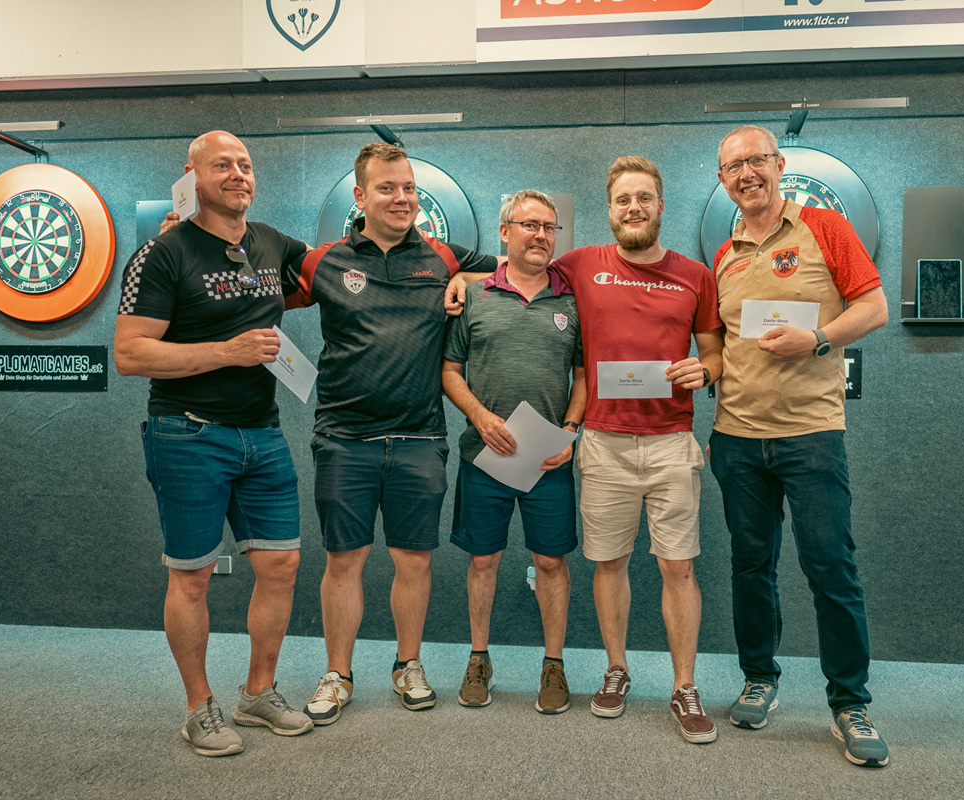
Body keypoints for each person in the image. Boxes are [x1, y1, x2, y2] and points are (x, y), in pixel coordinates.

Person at [446, 156, 723, 744]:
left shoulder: (696, 275)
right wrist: (461, 277)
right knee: (605, 563)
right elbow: (519, 266)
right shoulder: (582, 266)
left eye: (644, 198)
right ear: (610, 209)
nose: (634, 208)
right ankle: (614, 671)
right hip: (597, 442)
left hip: (660, 441)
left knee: (677, 566)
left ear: (660, 205)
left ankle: (684, 686)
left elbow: (714, 352)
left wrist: (706, 370)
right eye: (623, 199)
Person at [114, 130, 313, 757]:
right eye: (222, 164)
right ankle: (198, 708)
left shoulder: (272, 243)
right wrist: (228, 352)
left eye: (245, 165)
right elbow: (130, 353)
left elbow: (327, 274)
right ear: (192, 175)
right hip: (188, 432)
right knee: (193, 576)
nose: (237, 174)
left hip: (263, 433)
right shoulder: (162, 253)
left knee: (281, 566)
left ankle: (258, 692)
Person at [285, 143, 497, 726]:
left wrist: (467, 279)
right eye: (387, 188)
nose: (402, 198)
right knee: (344, 560)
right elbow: (254, 296)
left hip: (419, 438)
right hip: (343, 438)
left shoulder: (443, 256)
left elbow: (515, 269)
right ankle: (338, 673)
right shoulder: (323, 261)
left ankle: (408, 665)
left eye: (408, 188)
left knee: (414, 561)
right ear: (360, 196)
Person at [707, 125, 890, 767]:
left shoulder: (824, 227)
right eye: (733, 167)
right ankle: (760, 677)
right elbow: (718, 343)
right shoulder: (723, 255)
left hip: (811, 435)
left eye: (756, 160)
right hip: (736, 439)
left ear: (778, 163)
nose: (746, 174)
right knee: (750, 567)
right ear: (722, 179)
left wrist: (816, 340)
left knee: (831, 568)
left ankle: (850, 703)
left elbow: (874, 307)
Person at [441, 190, 586, 714]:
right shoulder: (474, 295)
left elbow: (583, 376)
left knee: (550, 561)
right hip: (485, 455)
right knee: (484, 561)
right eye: (529, 225)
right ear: (505, 232)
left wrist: (570, 430)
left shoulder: (572, 301)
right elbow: (449, 371)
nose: (540, 235)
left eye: (549, 227)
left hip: (548, 459)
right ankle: (479, 658)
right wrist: (481, 417)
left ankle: (554, 664)